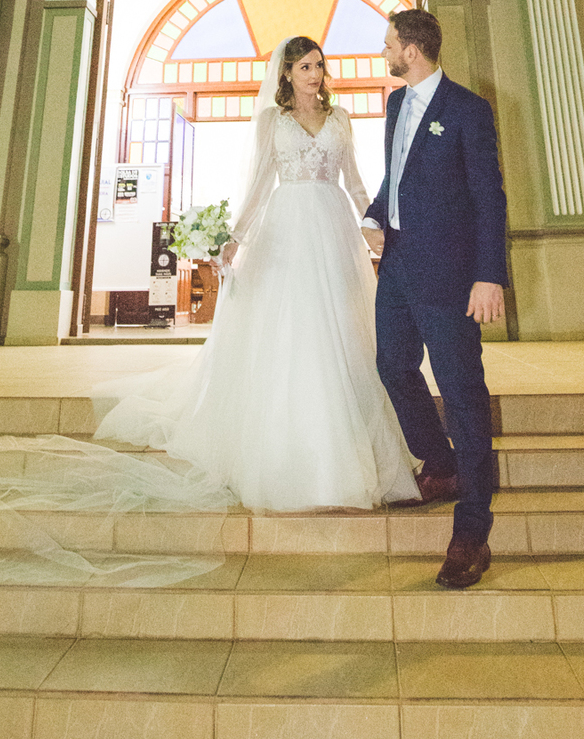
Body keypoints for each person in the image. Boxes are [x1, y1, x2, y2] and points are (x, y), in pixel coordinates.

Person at [95, 35, 418, 512]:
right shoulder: (273, 121)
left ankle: (351, 444)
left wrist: (372, 226)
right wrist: (237, 236)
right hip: (285, 231)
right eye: (305, 66)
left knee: (343, 331)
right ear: (286, 73)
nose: (314, 74)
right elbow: (261, 183)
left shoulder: (342, 119)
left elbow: (354, 181)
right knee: (293, 329)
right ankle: (290, 452)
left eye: (319, 65)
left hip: (332, 230)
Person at [362, 8, 508, 589]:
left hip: (452, 277)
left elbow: (488, 197)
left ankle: (471, 530)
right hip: (396, 267)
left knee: (464, 393)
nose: (385, 53)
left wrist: (488, 275)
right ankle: (439, 463)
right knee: (392, 365)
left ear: (412, 51)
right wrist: (375, 216)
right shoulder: (396, 104)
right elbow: (393, 177)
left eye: (389, 45)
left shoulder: (468, 111)